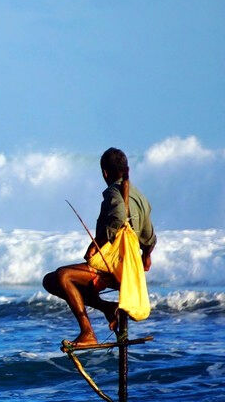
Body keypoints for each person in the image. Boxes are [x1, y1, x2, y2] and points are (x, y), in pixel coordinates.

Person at [43, 148, 156, 347]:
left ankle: (87, 332)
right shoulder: (141, 198)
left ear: (105, 172)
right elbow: (149, 237)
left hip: (112, 267)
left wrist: (97, 244)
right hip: (130, 270)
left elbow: (119, 217)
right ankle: (107, 308)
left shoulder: (114, 192)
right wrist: (146, 256)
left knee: (63, 276)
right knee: (50, 280)